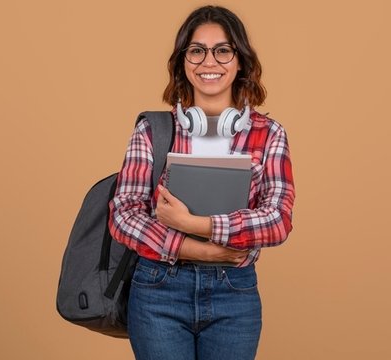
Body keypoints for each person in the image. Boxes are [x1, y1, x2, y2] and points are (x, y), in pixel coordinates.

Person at [109, 5, 295, 360]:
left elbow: (278, 220)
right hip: (158, 289)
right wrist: (199, 249)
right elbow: (123, 215)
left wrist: (196, 225)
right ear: (183, 62)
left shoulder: (270, 134)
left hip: (234, 293)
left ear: (240, 61)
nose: (209, 61)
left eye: (223, 50)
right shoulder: (152, 130)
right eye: (197, 51)